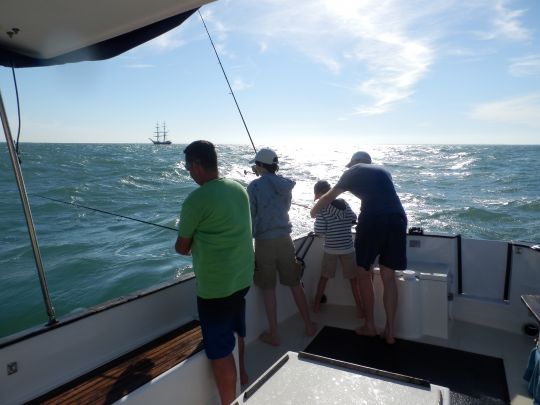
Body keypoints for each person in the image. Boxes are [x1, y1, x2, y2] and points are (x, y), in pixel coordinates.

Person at [175, 140, 254, 404]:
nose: (188, 171)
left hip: (216, 289)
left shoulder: (196, 199)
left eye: (188, 166)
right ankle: (243, 375)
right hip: (242, 279)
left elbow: (181, 247)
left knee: (220, 352)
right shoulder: (238, 188)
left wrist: (192, 239)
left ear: (197, 164)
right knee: (237, 330)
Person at [310, 151, 407, 344]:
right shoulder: (383, 171)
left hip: (373, 220)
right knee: (389, 277)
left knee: (363, 273)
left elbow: (329, 197)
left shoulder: (353, 171)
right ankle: (390, 332)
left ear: (354, 162)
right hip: (398, 218)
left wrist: (313, 211)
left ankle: (370, 326)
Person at [247, 148, 316, 346]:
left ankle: (274, 334)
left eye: (256, 164)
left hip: (264, 243)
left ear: (260, 165)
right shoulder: (285, 185)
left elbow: (251, 216)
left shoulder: (253, 187)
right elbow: (284, 207)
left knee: (268, 289)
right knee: (295, 283)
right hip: (285, 239)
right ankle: (309, 325)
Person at [312, 180, 363, 317]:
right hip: (347, 248)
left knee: (324, 278)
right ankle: (360, 309)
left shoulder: (322, 208)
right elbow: (354, 218)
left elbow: (320, 231)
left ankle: (316, 306)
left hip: (331, 249)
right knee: (353, 280)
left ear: (319, 194)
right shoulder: (344, 204)